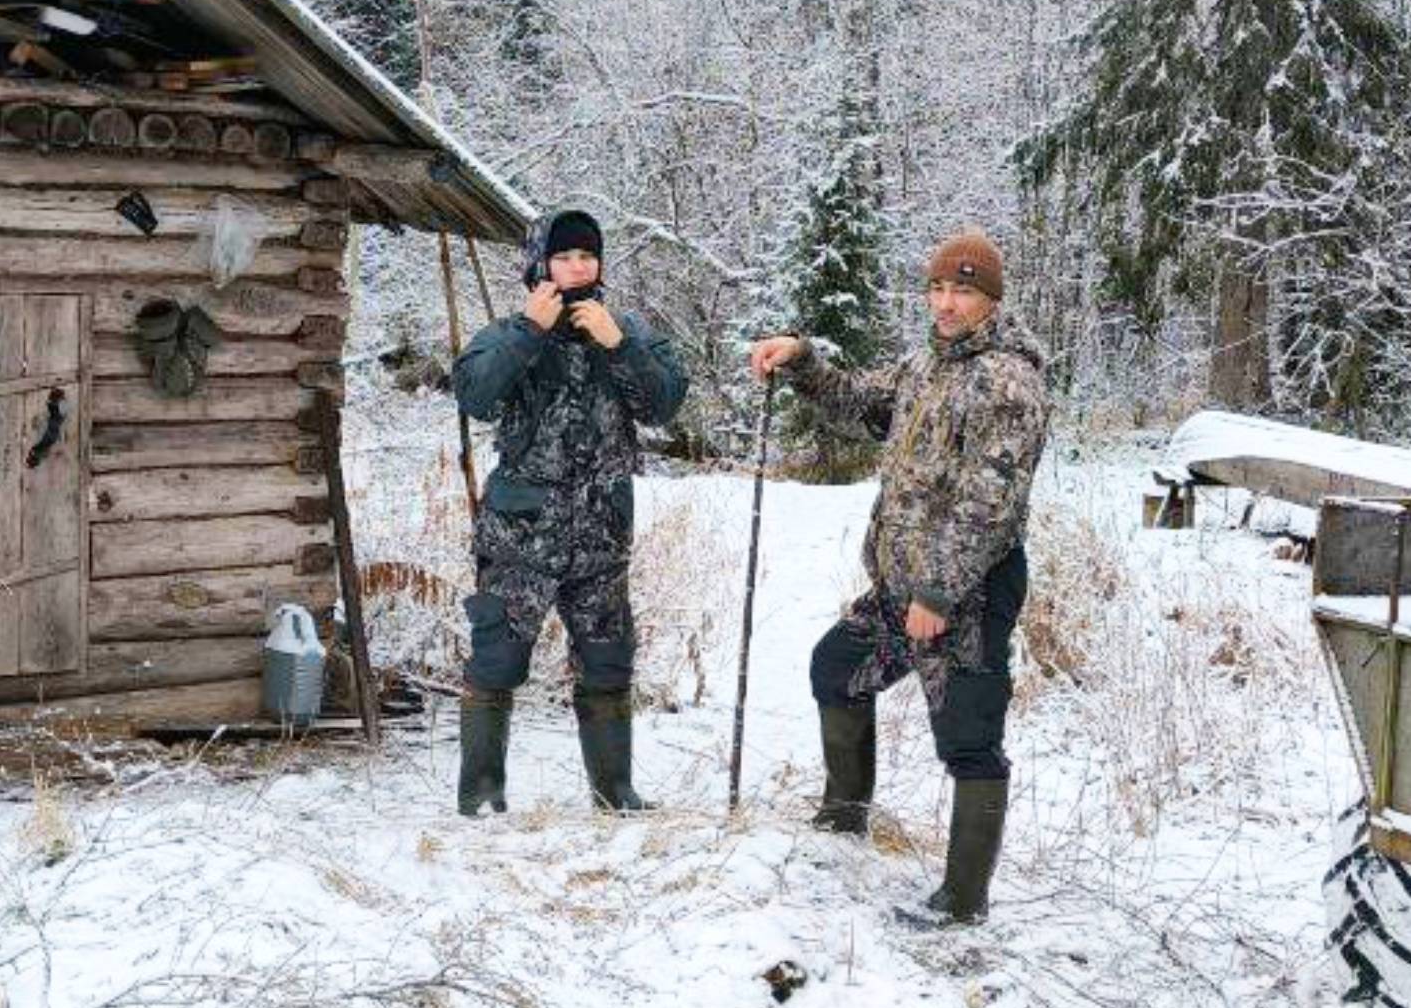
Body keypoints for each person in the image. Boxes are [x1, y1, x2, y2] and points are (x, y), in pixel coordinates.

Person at [747, 229, 1050, 925]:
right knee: (837, 668)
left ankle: (962, 902)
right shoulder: (927, 366)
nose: (946, 303)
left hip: (967, 591)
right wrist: (801, 358)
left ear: (990, 300)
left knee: (969, 742)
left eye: (963, 291)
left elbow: (990, 501)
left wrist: (938, 593)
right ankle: (845, 816)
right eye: (938, 288)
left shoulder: (1009, 381)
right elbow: (856, 398)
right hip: (898, 587)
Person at [450, 209, 688, 817]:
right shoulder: (509, 331)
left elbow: (664, 404)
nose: (578, 267)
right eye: (564, 256)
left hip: (602, 534)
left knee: (608, 661)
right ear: (540, 264)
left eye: (587, 255)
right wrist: (529, 332)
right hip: (521, 534)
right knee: (497, 659)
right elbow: (475, 396)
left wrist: (619, 343)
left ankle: (616, 792)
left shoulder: (624, 330)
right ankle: (481, 795)